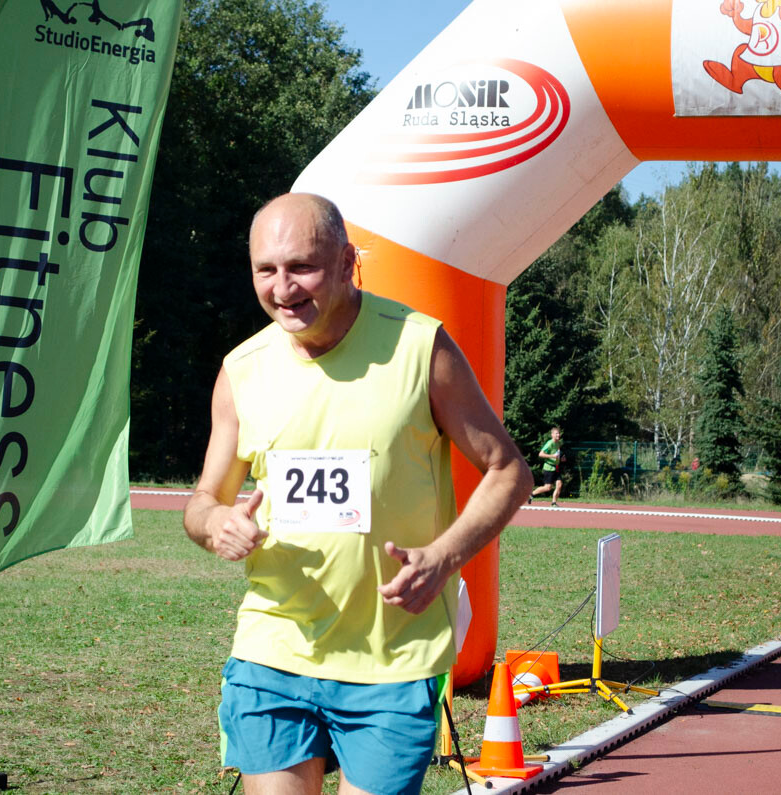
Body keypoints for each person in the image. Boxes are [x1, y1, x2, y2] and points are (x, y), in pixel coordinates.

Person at [182, 193, 531, 795]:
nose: (283, 288)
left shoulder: (421, 348)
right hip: (275, 648)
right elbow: (203, 499)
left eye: (302, 267)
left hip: (392, 659)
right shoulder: (243, 369)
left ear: (347, 263)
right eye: (266, 270)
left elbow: (508, 471)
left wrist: (444, 557)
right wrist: (215, 524)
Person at [529, 426, 563, 506]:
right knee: (548, 487)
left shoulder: (558, 443)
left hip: (556, 467)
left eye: (559, 433)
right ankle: (532, 494)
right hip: (548, 467)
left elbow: (557, 454)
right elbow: (540, 454)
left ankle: (554, 503)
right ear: (552, 435)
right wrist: (552, 456)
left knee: (559, 484)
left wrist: (561, 458)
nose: (558, 435)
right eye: (556, 433)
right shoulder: (550, 443)